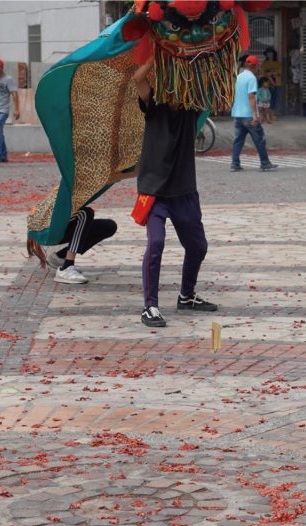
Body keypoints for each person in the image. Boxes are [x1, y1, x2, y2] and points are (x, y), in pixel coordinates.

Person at [133, 58, 220, 328]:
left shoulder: (190, 111)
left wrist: (194, 57)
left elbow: (210, 85)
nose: (175, 91)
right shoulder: (153, 107)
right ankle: (150, 307)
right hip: (154, 191)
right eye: (170, 85)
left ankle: (187, 295)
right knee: (156, 243)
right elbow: (138, 79)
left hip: (183, 190)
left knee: (198, 246)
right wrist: (159, 53)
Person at [29, 207, 118, 284]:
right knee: (85, 213)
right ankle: (66, 268)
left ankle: (59, 257)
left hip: (61, 223)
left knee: (109, 226)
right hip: (47, 229)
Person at [230, 55, 276, 172]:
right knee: (259, 138)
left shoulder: (239, 76)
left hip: (237, 114)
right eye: (258, 66)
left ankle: (235, 164)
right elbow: (251, 96)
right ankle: (265, 163)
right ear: (255, 66)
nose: (259, 68)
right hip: (248, 115)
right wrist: (255, 114)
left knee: (238, 140)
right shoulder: (251, 78)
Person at [260, 48, 282, 118]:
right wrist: (272, 74)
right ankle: (268, 114)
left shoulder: (278, 63)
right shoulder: (264, 63)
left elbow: (279, 73)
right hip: (268, 84)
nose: (269, 54)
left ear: (273, 54)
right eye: (268, 53)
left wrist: (270, 73)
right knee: (268, 99)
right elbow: (263, 73)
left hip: (277, 84)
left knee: (277, 99)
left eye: (271, 53)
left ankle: (274, 113)